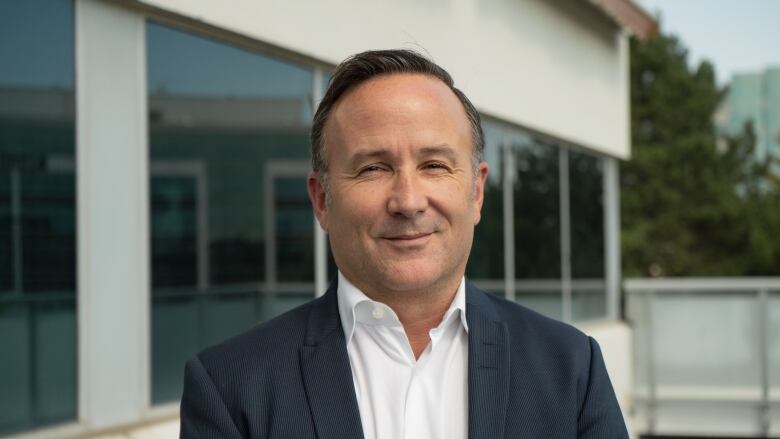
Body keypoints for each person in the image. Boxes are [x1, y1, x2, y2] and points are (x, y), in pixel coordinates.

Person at [179, 49, 628, 439]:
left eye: (434, 164)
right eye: (373, 168)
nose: (408, 201)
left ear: (475, 192)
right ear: (321, 200)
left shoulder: (571, 369)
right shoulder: (230, 387)